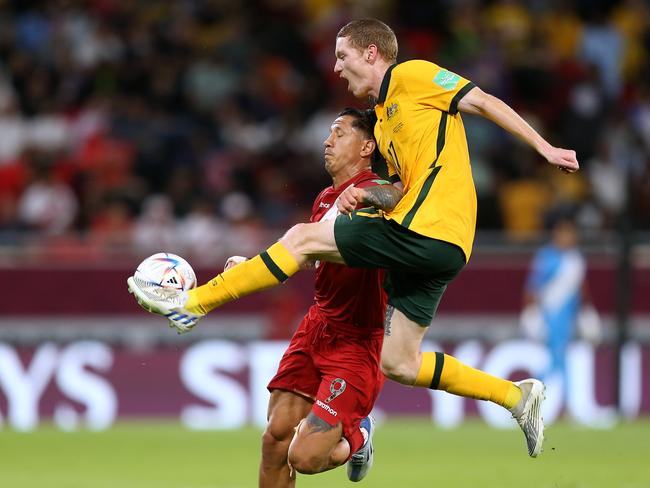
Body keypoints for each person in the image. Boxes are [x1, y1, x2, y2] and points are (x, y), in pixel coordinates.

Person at [128, 19, 580, 458]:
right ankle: (516, 396)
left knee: (304, 239)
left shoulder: (411, 75)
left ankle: (194, 303)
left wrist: (543, 147)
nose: (337, 67)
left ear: (371, 53)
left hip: (428, 228)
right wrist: (369, 194)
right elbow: (399, 188)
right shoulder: (383, 124)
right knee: (400, 362)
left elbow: (481, 101)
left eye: (343, 56)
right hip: (439, 249)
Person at [254, 108, 387, 486]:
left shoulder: (378, 195)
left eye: (339, 133)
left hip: (358, 342)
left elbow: (395, 202)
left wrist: (372, 199)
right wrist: (250, 266)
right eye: (329, 133)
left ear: (367, 146)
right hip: (317, 326)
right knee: (274, 438)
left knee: (306, 457)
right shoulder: (326, 198)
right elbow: (305, 253)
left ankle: (357, 437)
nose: (327, 142)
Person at [521, 215, 601, 402]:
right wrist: (530, 314)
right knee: (555, 360)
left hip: (568, 318)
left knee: (561, 360)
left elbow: (582, 288)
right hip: (550, 316)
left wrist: (587, 313)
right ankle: (533, 397)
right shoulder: (546, 257)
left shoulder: (576, 258)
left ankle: (537, 399)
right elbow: (532, 287)